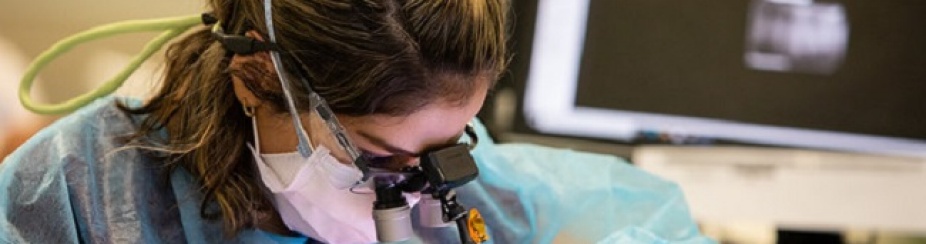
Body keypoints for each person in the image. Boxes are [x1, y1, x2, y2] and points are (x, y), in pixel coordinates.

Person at [0, 0, 715, 243]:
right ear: (255, 80)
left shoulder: (466, 191)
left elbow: (648, 221)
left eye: (444, 153)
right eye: (375, 159)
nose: (410, 200)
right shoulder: (76, 196)